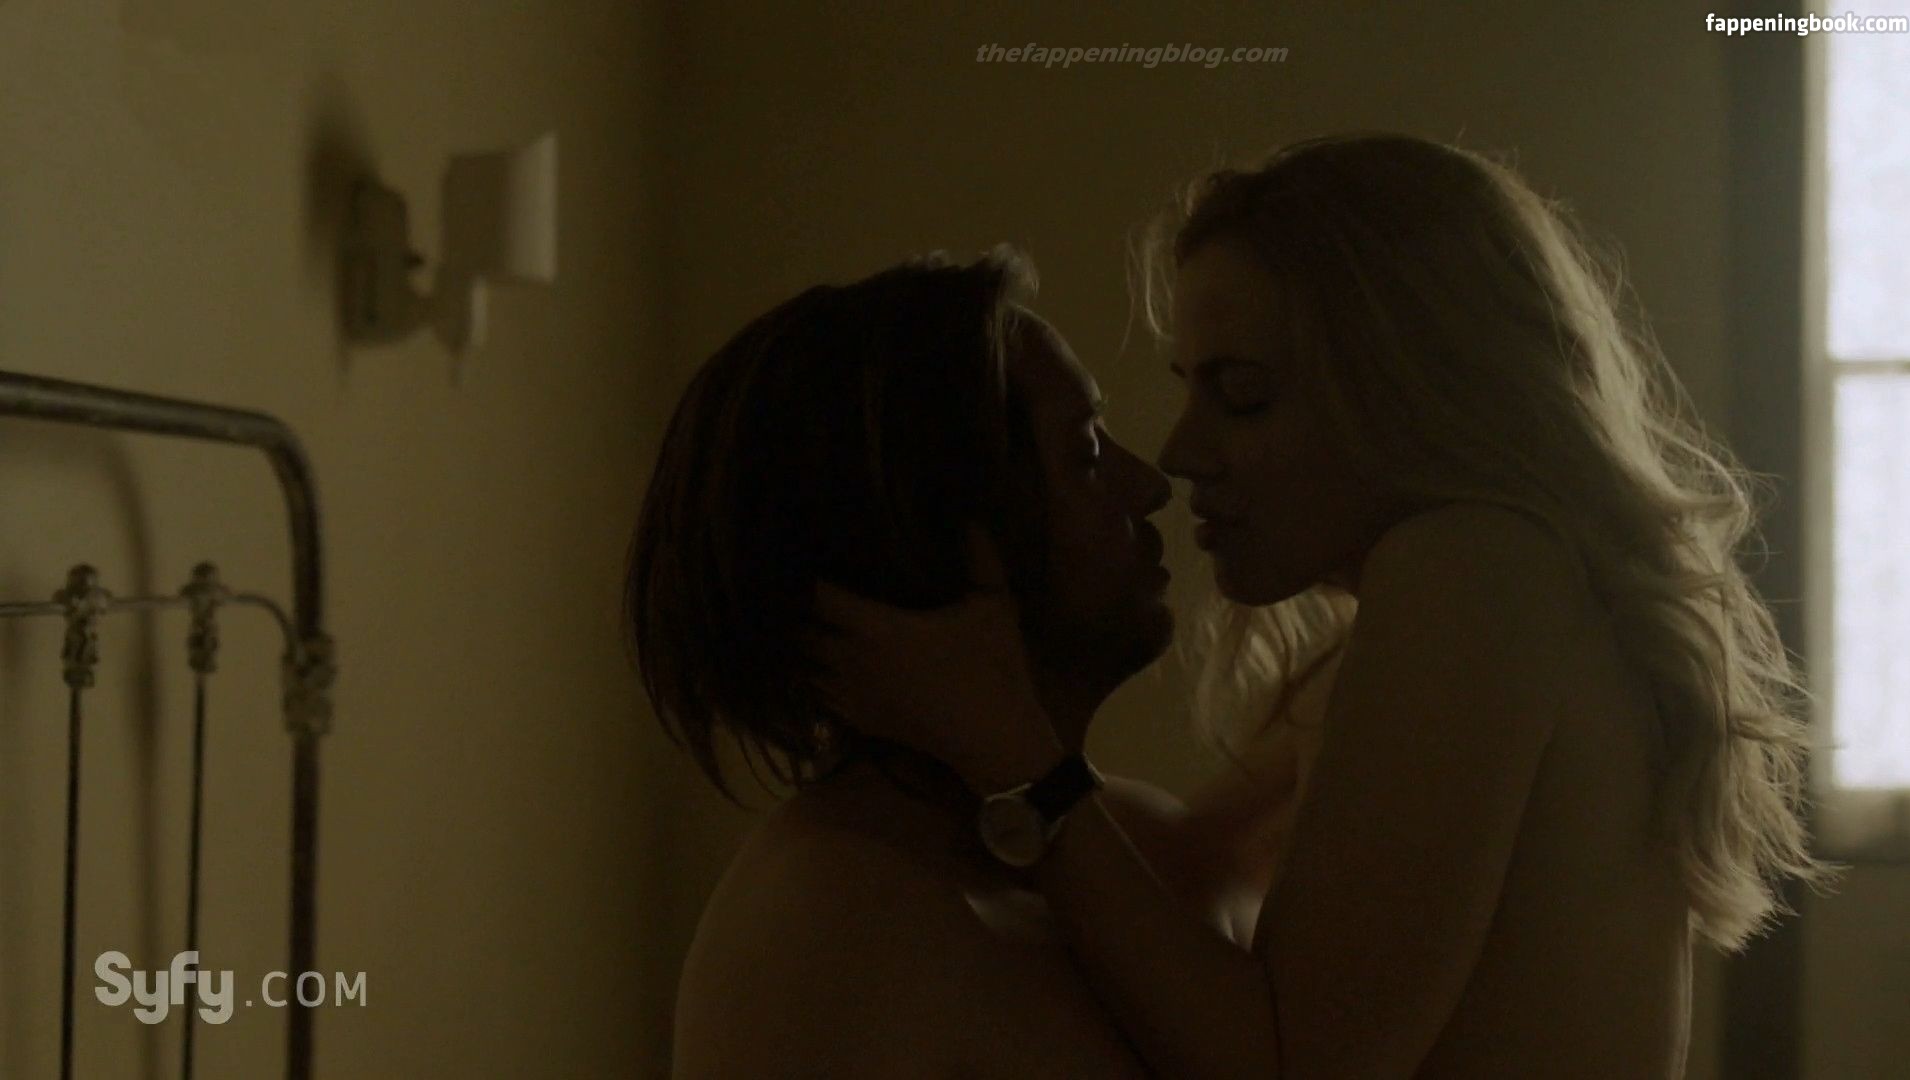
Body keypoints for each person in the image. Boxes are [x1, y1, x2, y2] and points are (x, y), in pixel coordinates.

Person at [809, 133, 1844, 1078]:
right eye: (1190, 388)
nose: (1180, 454)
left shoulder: (1472, 571)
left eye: (1244, 395)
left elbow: (1292, 1064)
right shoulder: (1480, 604)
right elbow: (1192, 858)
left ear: (1420, 383)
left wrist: (1018, 761)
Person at [625, 249, 1284, 1076]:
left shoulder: (1140, 842)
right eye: (1084, 452)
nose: (1149, 486)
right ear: (938, 537)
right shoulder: (831, 924)